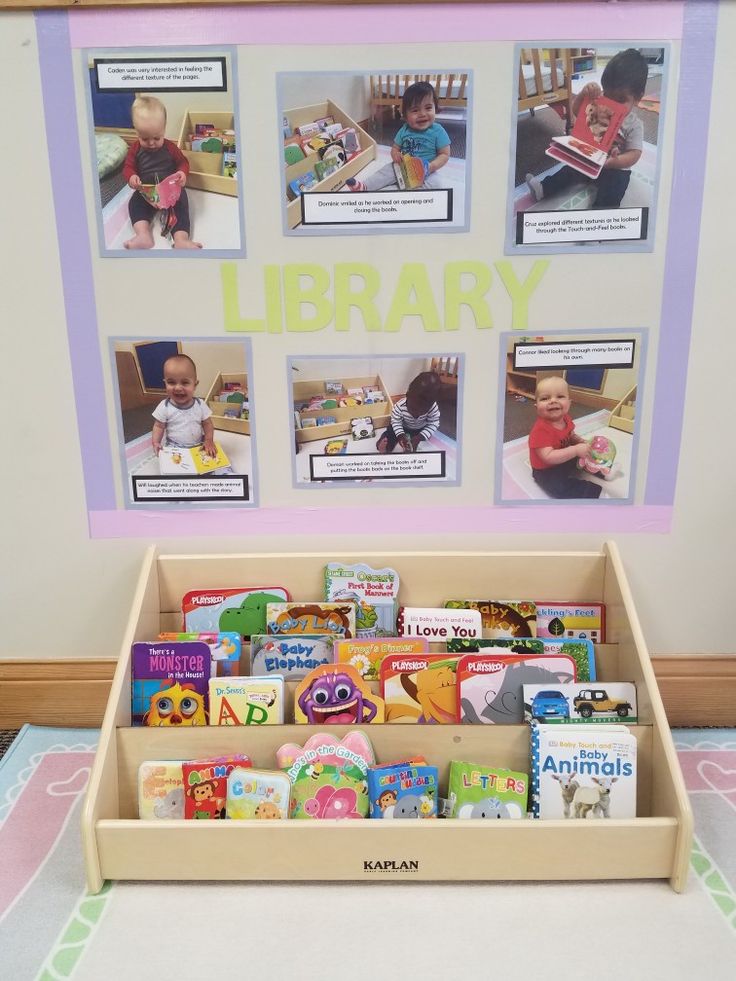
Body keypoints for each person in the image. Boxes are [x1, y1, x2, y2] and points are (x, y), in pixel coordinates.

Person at [526, 48, 649, 209]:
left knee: (613, 190)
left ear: (638, 98)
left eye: (620, 99)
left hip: (616, 168)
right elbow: (577, 111)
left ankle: (600, 216)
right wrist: (584, 95)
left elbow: (634, 154)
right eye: (608, 95)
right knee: (570, 169)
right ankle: (543, 188)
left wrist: (616, 161)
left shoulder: (634, 125)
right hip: (591, 159)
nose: (612, 103)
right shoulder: (600, 107)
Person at [122, 96, 202, 250]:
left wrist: (182, 173)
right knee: (134, 204)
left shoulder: (170, 148)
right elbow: (127, 167)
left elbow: (183, 162)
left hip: (170, 192)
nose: (151, 143)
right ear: (136, 131)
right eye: (145, 138)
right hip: (146, 192)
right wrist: (132, 177)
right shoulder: (134, 149)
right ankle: (143, 234)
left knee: (182, 203)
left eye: (157, 137)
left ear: (164, 129)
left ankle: (181, 239)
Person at [345, 81, 451, 192]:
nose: (422, 114)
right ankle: (365, 187)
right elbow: (395, 148)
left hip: (427, 171)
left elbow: (444, 154)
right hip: (403, 167)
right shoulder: (405, 130)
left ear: (435, 108)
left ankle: (392, 191)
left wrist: (432, 166)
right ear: (405, 115)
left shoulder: (438, 131)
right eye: (415, 110)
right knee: (386, 171)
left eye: (428, 108)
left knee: (436, 184)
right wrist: (395, 155)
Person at [528, 376, 601, 499]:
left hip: (564, 458)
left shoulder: (566, 418)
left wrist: (580, 442)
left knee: (586, 453)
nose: (553, 401)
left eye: (560, 396)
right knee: (558, 488)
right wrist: (575, 450)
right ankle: (586, 490)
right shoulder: (540, 430)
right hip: (546, 471)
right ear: (537, 407)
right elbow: (548, 457)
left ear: (569, 403)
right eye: (545, 398)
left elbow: (570, 435)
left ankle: (599, 468)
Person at [151, 354, 217, 459]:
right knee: (172, 469)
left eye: (185, 382)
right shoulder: (165, 406)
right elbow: (159, 426)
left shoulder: (200, 404)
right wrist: (156, 442)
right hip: (174, 446)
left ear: (195, 384)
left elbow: (207, 424)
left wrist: (209, 440)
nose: (177, 388)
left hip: (199, 444)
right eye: (171, 382)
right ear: (165, 383)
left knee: (213, 461)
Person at [377, 371, 441, 453]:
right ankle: (385, 446)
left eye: (424, 410)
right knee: (390, 431)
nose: (418, 413)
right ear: (407, 395)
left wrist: (420, 437)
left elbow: (434, 423)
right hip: (403, 427)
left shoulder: (433, 407)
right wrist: (400, 435)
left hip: (419, 430)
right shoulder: (399, 406)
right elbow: (396, 422)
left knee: (425, 436)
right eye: (414, 408)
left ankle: (414, 445)